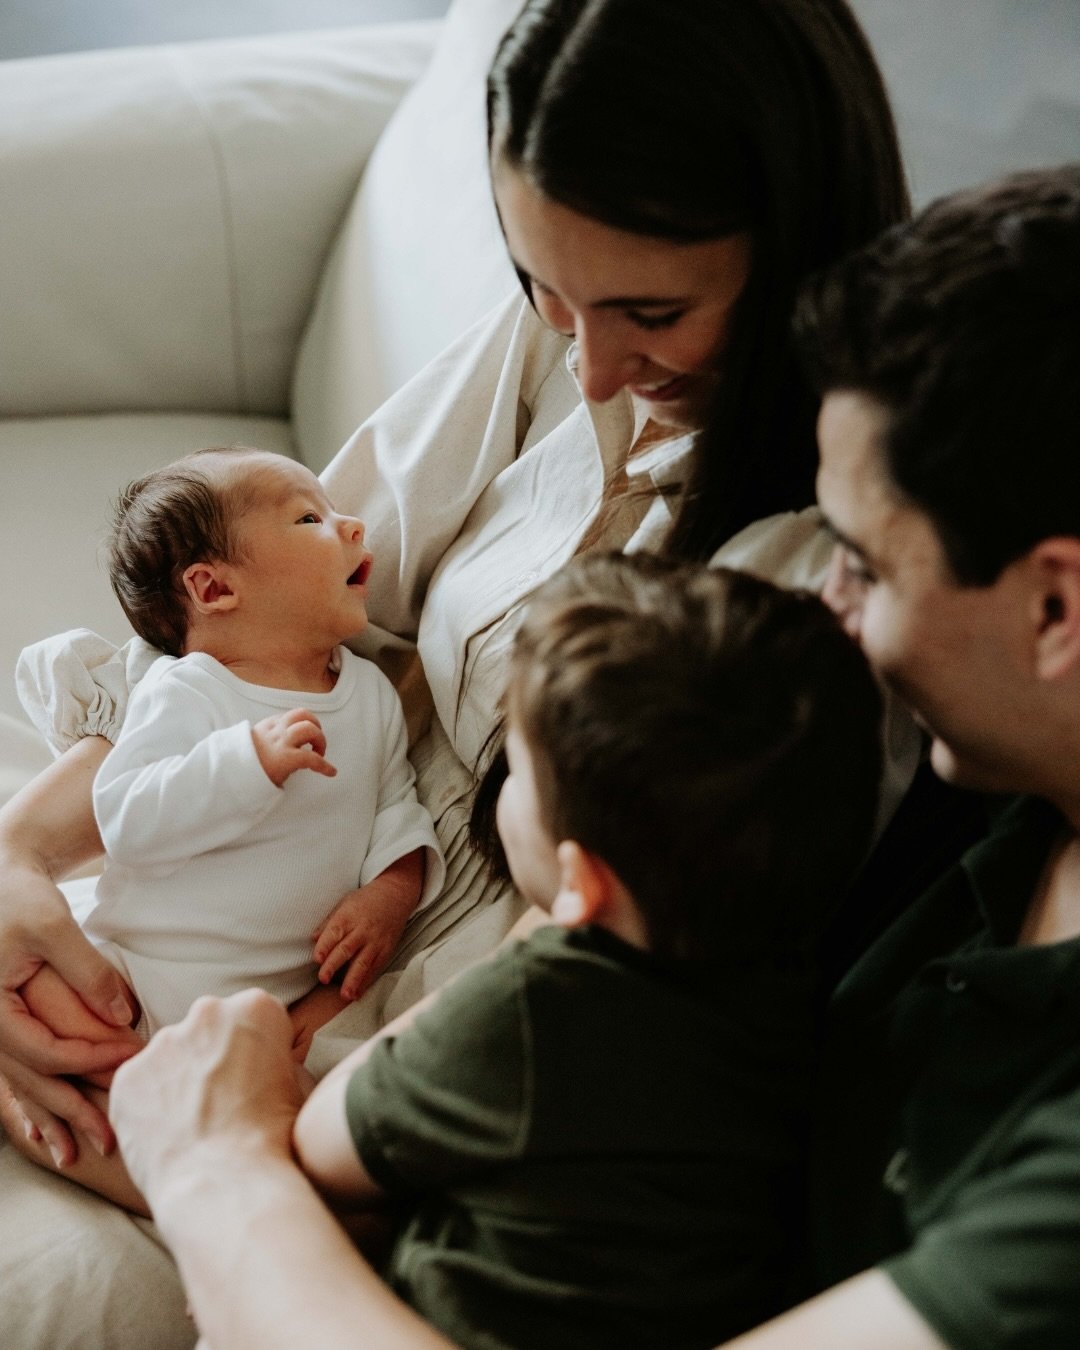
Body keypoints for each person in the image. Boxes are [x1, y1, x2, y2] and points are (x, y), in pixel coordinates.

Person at [0, 1, 912, 1343]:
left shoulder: (836, 574)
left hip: (412, 1040)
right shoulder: (558, 334)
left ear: (794, 240)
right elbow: (268, 625)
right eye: (545, 287)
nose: (593, 366)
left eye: (654, 313)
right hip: (259, 872)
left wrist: (150, 1115)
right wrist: (21, 858)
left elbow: (598, 1004)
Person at [95, 163, 1080, 1350]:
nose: (835, 612)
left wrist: (206, 1160)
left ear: (1055, 608)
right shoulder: (1006, 806)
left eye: (862, 566)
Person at [290, 553, 883, 1349]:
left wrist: (542, 930)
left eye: (519, 771)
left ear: (582, 882)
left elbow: (321, 1143)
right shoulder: (798, 984)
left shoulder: (538, 1011)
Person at [14, 445, 444, 1207]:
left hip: (266, 1002)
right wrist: (244, 763)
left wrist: (390, 892)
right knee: (68, 1056)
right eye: (309, 518)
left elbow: (395, 806)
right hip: (138, 976)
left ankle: (254, 1197)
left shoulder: (371, 694)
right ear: (213, 588)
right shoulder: (191, 691)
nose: (351, 525)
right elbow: (129, 815)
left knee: (300, 1130)